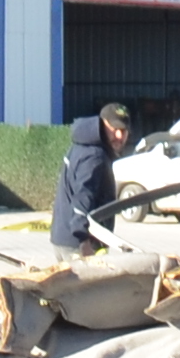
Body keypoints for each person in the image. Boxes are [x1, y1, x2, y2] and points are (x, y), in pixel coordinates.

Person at [51, 101, 131, 251]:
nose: (119, 135)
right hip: (79, 244)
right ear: (102, 124)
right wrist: (83, 239)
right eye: (114, 129)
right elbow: (83, 194)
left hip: (64, 239)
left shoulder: (83, 145)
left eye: (124, 130)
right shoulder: (94, 156)